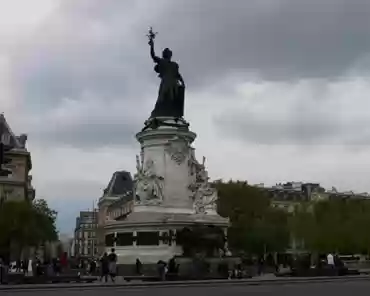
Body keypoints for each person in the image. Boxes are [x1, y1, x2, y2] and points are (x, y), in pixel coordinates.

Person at [148, 29, 185, 119]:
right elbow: (153, 55)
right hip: (170, 83)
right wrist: (183, 83)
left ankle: (169, 113)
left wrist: (182, 82)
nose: (167, 55)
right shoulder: (167, 63)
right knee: (165, 98)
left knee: (168, 98)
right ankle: (162, 113)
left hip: (170, 83)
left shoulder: (172, 64)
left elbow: (178, 74)